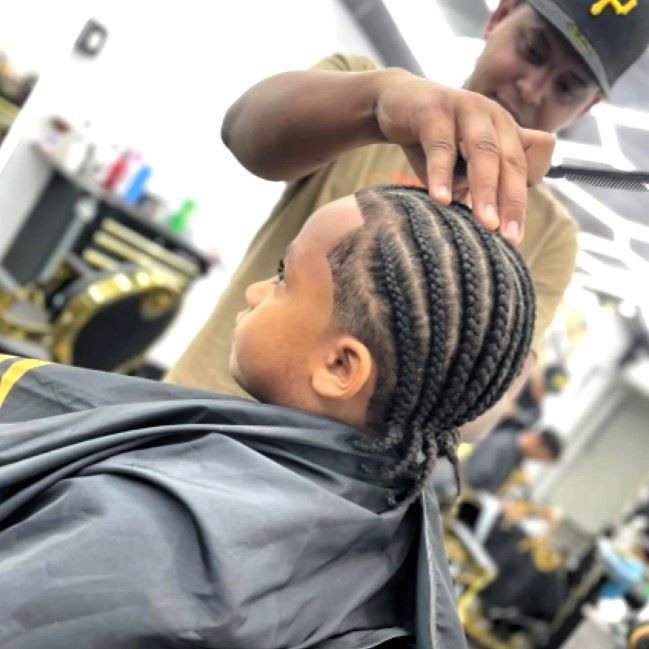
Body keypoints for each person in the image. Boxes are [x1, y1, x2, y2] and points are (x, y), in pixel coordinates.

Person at [0, 186, 535, 648]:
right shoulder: (386, 518)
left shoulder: (159, 533)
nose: (255, 291)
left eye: (283, 277)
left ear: (339, 365)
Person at [166, 0, 649, 441]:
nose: (532, 87)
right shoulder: (360, 100)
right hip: (187, 422)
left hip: (327, 489)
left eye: (567, 87)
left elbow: (479, 412)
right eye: (533, 50)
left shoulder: (550, 236)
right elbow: (244, 132)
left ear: (587, 107)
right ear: (499, 17)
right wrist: (377, 103)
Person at [464, 426, 563, 494]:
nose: (536, 460)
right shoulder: (503, 443)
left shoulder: (517, 458)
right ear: (538, 444)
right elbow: (473, 474)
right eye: (540, 457)